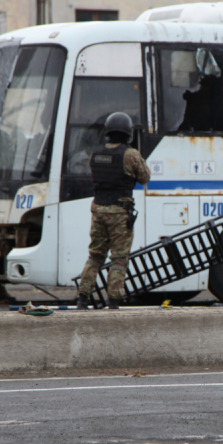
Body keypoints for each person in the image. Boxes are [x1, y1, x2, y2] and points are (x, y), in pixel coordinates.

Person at [76, 112, 150, 309]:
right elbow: (144, 178)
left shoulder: (96, 153)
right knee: (118, 258)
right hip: (119, 211)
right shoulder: (130, 154)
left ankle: (83, 297)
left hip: (98, 209)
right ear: (128, 133)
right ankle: (114, 301)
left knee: (95, 255)